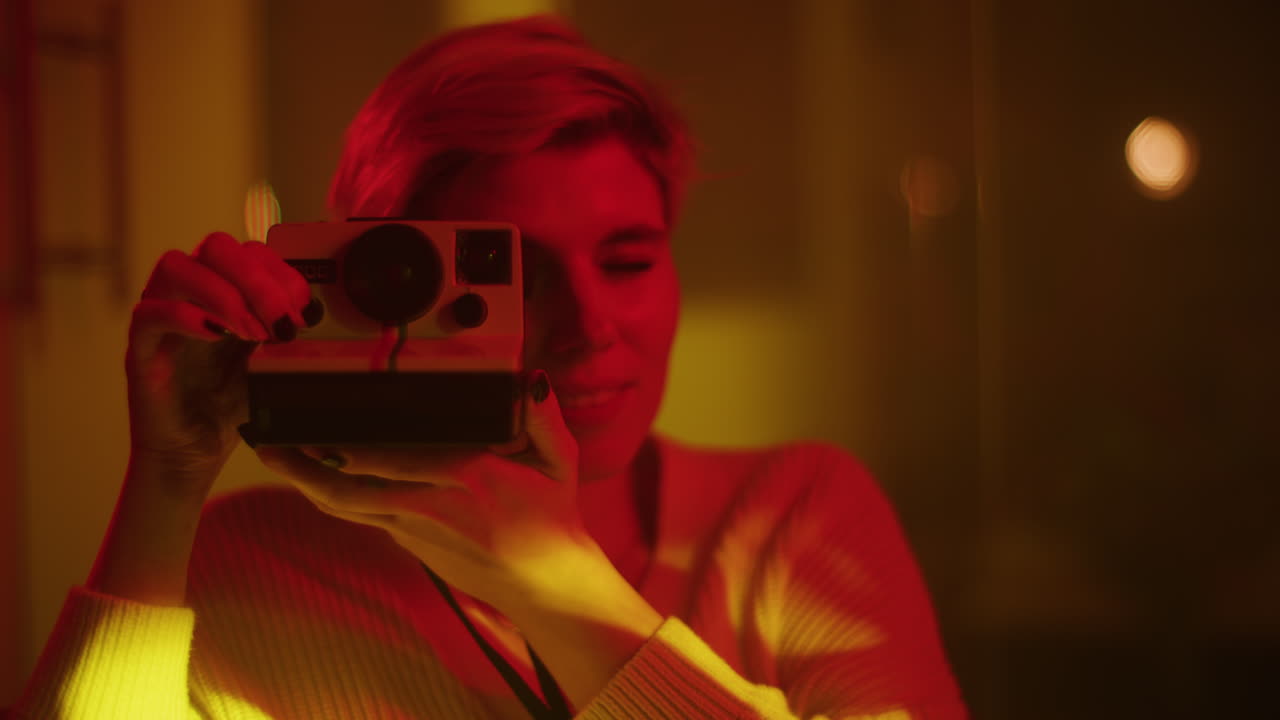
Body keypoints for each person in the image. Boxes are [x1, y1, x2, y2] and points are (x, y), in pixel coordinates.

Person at [14, 14, 966, 720]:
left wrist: (551, 585)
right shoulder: (248, 560)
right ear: (384, 282)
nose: (591, 323)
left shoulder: (795, 523)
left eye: (629, 259)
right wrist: (165, 486)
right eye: (515, 274)